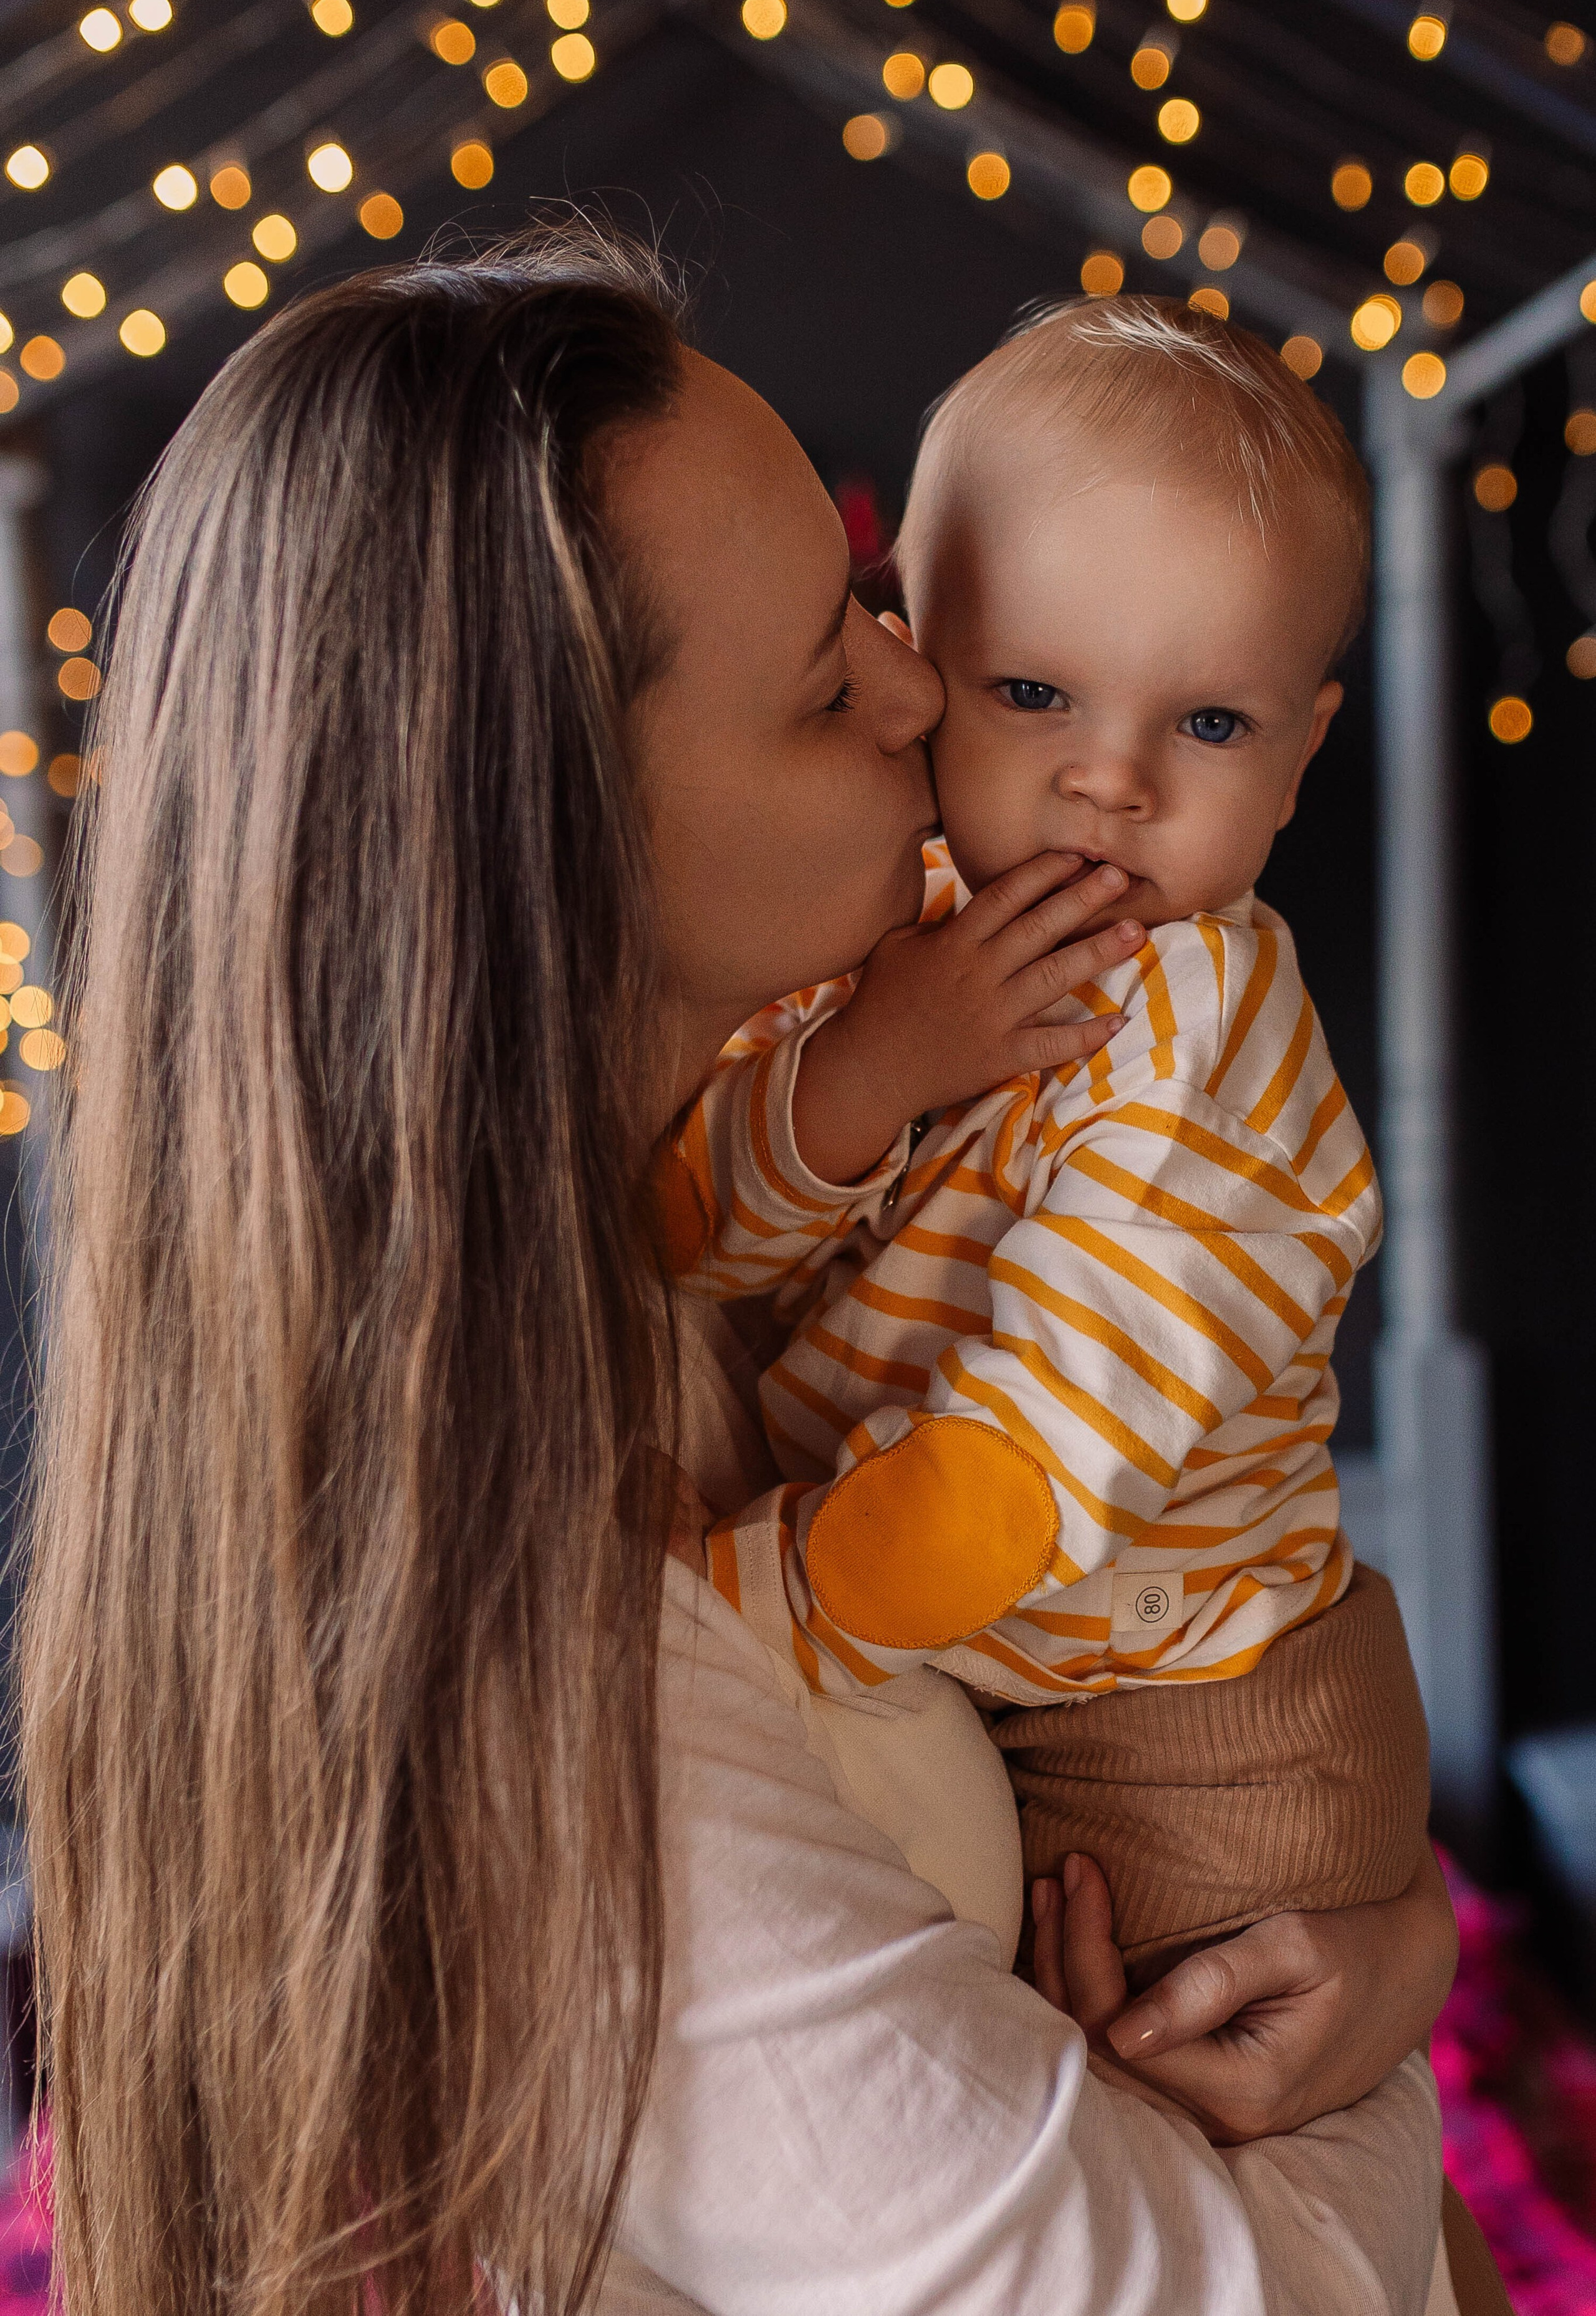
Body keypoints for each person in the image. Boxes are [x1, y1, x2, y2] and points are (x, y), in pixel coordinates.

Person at [21, 226, 1463, 2316]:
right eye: (835, 673)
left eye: (884, 610)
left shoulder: (620, 1295)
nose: (924, 694)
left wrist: (1381, 1921)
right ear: (552, 836)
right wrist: (1377, 2045)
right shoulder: (557, 1645)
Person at [658, 295, 1426, 1982]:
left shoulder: (1208, 1044)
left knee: (1194, 2112)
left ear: (1299, 756)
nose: (1116, 781)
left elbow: (1025, 1469)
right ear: (911, 648)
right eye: (1034, 693)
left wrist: (720, 1614)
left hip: (1186, 1725)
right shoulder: (894, 925)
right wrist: (872, 1068)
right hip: (945, 1638)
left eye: (1209, 725)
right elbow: (694, 1238)